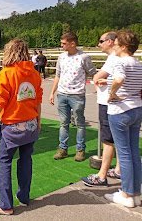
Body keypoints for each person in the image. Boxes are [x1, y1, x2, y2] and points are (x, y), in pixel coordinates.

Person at [0, 39, 43, 215]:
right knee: (26, 159)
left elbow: (0, 102)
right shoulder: (34, 73)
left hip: (12, 126)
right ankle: (24, 197)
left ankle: (5, 205)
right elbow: (38, 100)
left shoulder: (7, 73)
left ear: (9, 52)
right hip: (31, 124)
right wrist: (38, 121)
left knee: (5, 162)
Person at [103, 30, 142, 208]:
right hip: (136, 108)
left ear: (124, 47)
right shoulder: (138, 63)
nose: (115, 46)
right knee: (134, 151)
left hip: (120, 111)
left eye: (117, 44)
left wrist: (112, 93)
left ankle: (126, 193)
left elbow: (119, 78)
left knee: (124, 153)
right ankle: (136, 193)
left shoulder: (120, 62)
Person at [49, 32, 96, 161]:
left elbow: (93, 73)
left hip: (77, 95)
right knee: (63, 123)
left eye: (64, 43)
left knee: (80, 124)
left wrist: (100, 88)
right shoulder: (61, 57)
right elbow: (58, 75)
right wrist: (52, 92)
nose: (61, 45)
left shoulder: (84, 57)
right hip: (62, 94)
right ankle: (62, 149)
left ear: (72, 43)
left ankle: (80, 149)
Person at [82, 31, 121, 187]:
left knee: (108, 140)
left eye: (101, 41)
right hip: (117, 104)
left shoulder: (113, 58)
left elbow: (97, 77)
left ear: (110, 42)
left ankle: (102, 175)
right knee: (118, 138)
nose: (99, 44)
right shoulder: (121, 58)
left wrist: (102, 80)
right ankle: (118, 170)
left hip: (109, 103)